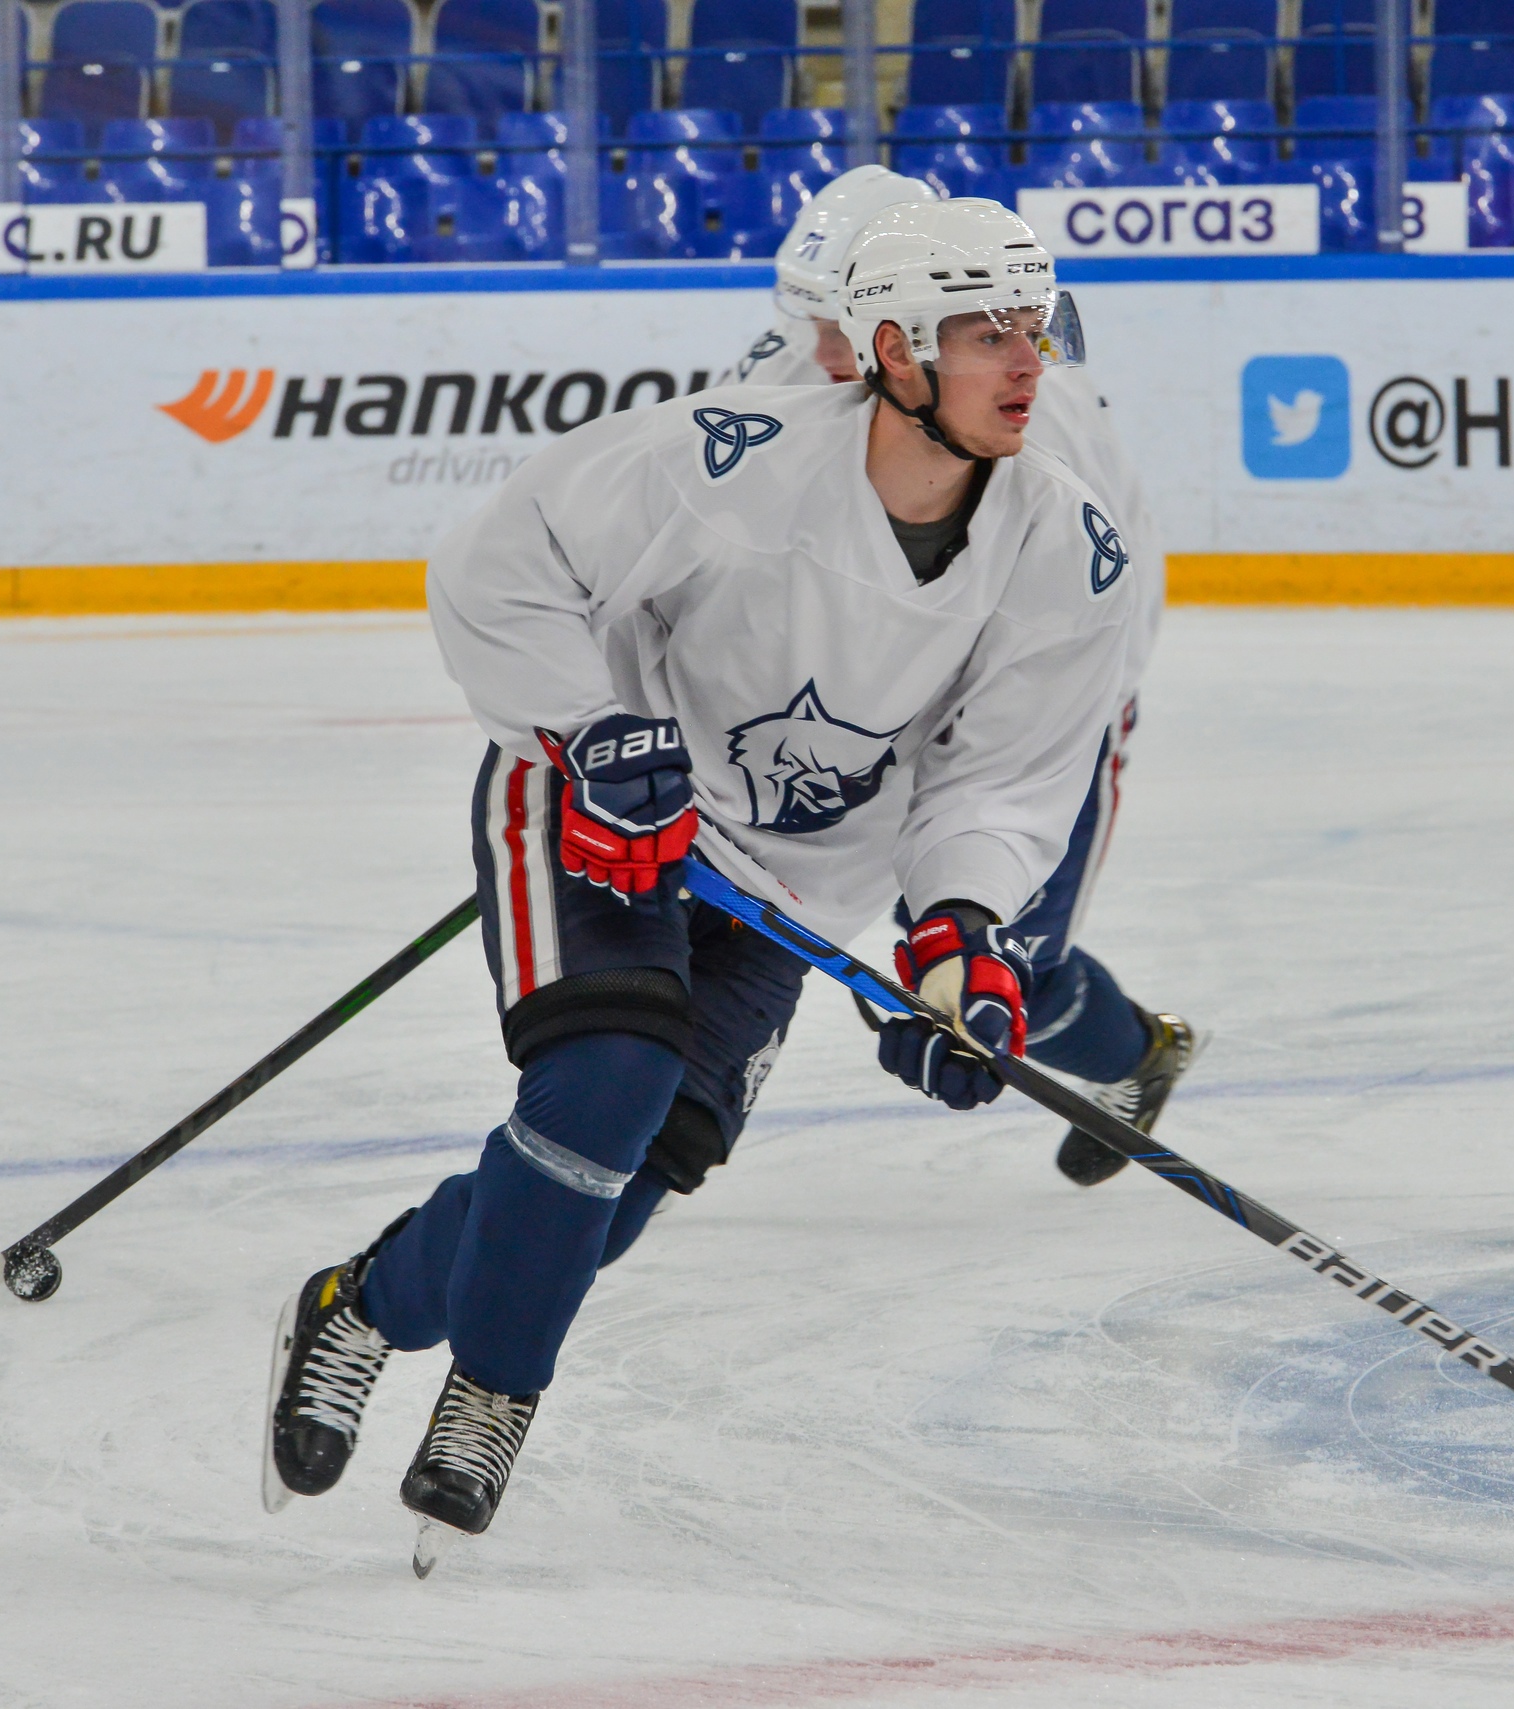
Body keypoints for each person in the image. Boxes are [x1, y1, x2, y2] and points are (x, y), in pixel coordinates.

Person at [261, 199, 1140, 1563]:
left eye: (1034, 326)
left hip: (794, 886)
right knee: (603, 1084)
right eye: (987, 334)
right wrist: (588, 730)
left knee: (612, 1199)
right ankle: (493, 1397)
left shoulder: (1070, 547)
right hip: (604, 811)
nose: (1029, 362)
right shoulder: (733, 454)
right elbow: (500, 568)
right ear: (896, 352)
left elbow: (1001, 780)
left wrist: (960, 938)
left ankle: (360, 1304)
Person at [719, 165, 1192, 1189]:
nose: (825, 352)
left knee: (1003, 962)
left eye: (840, 327)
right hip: (852, 700)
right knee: (749, 909)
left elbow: (1084, 635)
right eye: (816, 322)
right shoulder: (790, 365)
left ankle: (1136, 1054)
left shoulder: (1025, 413)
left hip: (1027, 709)